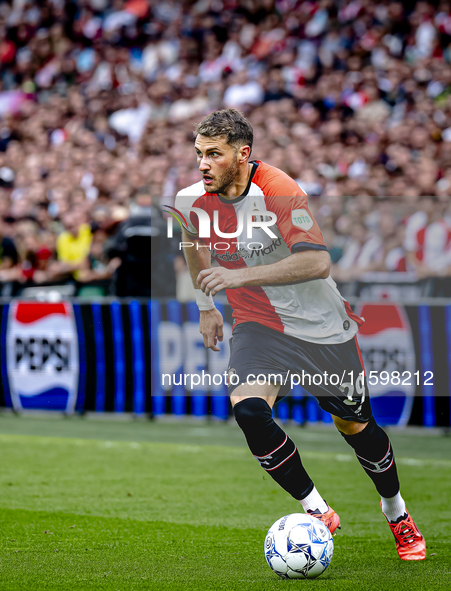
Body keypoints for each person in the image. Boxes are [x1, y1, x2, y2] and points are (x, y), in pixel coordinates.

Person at [174, 108, 425, 561]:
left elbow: (317, 262)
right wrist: (207, 306)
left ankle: (396, 512)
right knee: (249, 410)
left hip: (321, 329)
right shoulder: (193, 199)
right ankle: (317, 509)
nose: (203, 164)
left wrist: (237, 278)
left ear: (243, 154)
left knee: (355, 425)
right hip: (258, 326)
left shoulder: (279, 190)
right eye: (198, 154)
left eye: (214, 154)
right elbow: (194, 245)